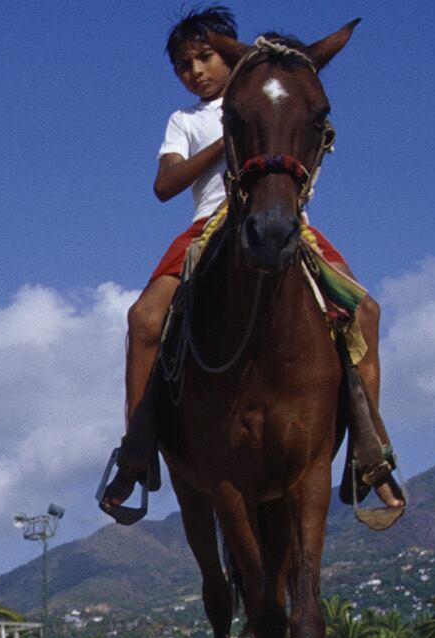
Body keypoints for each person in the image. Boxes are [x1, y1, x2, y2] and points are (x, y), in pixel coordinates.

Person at [98, 4, 404, 526]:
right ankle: (137, 449)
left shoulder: (267, 100)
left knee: (365, 311)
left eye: (205, 57)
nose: (195, 71)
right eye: (183, 65)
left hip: (283, 219)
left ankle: (368, 450)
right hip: (208, 225)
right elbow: (165, 186)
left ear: (231, 56)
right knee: (144, 319)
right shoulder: (186, 120)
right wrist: (226, 137)